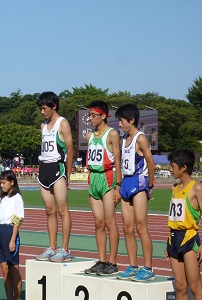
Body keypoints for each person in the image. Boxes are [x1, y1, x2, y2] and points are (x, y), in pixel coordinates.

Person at [115, 103, 156, 281]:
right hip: (126, 182)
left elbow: (151, 163)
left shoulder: (141, 138)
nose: (119, 124)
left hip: (139, 181)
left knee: (141, 227)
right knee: (127, 227)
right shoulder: (123, 139)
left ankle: (148, 267)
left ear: (131, 120)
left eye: (122, 121)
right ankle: (133, 266)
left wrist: (150, 185)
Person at [83, 100, 122, 276]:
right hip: (94, 180)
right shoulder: (89, 136)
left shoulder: (112, 134)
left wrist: (118, 186)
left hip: (108, 179)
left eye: (93, 115)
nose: (90, 118)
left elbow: (118, 161)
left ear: (103, 116)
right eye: (89, 115)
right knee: (98, 223)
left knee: (109, 222)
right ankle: (101, 260)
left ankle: (112, 262)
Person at [35, 91, 74, 262]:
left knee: (62, 210)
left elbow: (70, 150)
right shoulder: (43, 126)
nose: (42, 112)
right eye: (41, 109)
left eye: (44, 108)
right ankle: (52, 247)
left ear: (54, 106)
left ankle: (64, 249)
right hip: (44, 168)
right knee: (49, 211)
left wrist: (69, 173)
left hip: (58, 168)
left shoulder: (62, 124)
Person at [165, 149, 202, 300]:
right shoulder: (174, 188)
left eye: (172, 166)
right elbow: (173, 217)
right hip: (173, 238)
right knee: (180, 286)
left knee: (195, 287)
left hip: (189, 238)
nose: (170, 169)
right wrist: (168, 241)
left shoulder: (196, 188)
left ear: (183, 167)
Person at [0, 170, 25, 300]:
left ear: (12, 182)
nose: (2, 185)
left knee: (13, 269)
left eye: (4, 182)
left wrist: (12, 239)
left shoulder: (17, 198)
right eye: (0, 183)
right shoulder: (1, 199)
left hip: (10, 231)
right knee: (4, 269)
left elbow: (18, 219)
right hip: (0, 231)